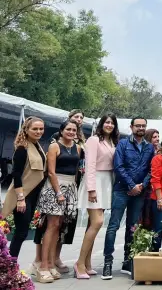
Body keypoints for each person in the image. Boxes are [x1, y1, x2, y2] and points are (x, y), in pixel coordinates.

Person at [102, 117, 154, 280]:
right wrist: (132, 185)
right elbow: (118, 166)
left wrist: (141, 186)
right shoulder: (123, 144)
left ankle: (127, 260)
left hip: (139, 192)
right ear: (131, 127)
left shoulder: (150, 147)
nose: (140, 128)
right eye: (137, 125)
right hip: (121, 190)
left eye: (143, 126)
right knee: (113, 226)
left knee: (132, 227)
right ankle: (108, 263)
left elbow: (151, 170)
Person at [35, 119, 81, 283]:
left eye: (74, 130)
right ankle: (43, 266)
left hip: (70, 187)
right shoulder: (54, 146)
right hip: (55, 188)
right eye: (68, 129)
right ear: (62, 131)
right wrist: (58, 192)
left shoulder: (77, 147)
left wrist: (73, 192)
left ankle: (51, 263)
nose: (71, 132)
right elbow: (51, 172)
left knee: (60, 226)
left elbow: (76, 171)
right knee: (51, 225)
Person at [75, 114, 119, 279]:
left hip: (107, 181)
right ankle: (79, 263)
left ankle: (87, 263)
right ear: (102, 124)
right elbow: (90, 164)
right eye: (107, 122)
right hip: (95, 182)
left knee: (91, 225)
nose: (109, 125)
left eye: (112, 123)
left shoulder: (112, 142)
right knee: (98, 222)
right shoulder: (94, 140)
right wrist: (91, 189)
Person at [2, 117, 46, 259]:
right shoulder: (22, 148)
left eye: (41, 129)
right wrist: (20, 199)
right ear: (26, 130)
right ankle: (10, 265)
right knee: (21, 232)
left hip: (33, 195)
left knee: (23, 232)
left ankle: (9, 263)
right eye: (35, 129)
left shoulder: (37, 146)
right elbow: (16, 174)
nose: (38, 131)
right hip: (23, 196)